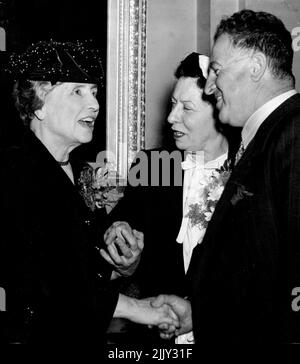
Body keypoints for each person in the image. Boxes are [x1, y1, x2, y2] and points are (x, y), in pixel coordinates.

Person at [0, 40, 178, 344]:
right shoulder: (15, 172)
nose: (94, 104)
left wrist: (123, 264)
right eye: (77, 91)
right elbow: (48, 283)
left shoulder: (81, 173)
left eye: (94, 93)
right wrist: (138, 309)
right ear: (39, 104)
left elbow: (86, 272)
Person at [153, 9, 300, 344]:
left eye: (216, 70)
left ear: (257, 67)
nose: (210, 85)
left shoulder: (292, 133)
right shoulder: (267, 137)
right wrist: (199, 313)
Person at [101, 52, 239, 343]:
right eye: (173, 104)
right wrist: (125, 249)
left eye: (186, 108)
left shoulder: (250, 170)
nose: (171, 117)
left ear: (220, 109)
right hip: (156, 339)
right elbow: (122, 229)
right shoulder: (152, 166)